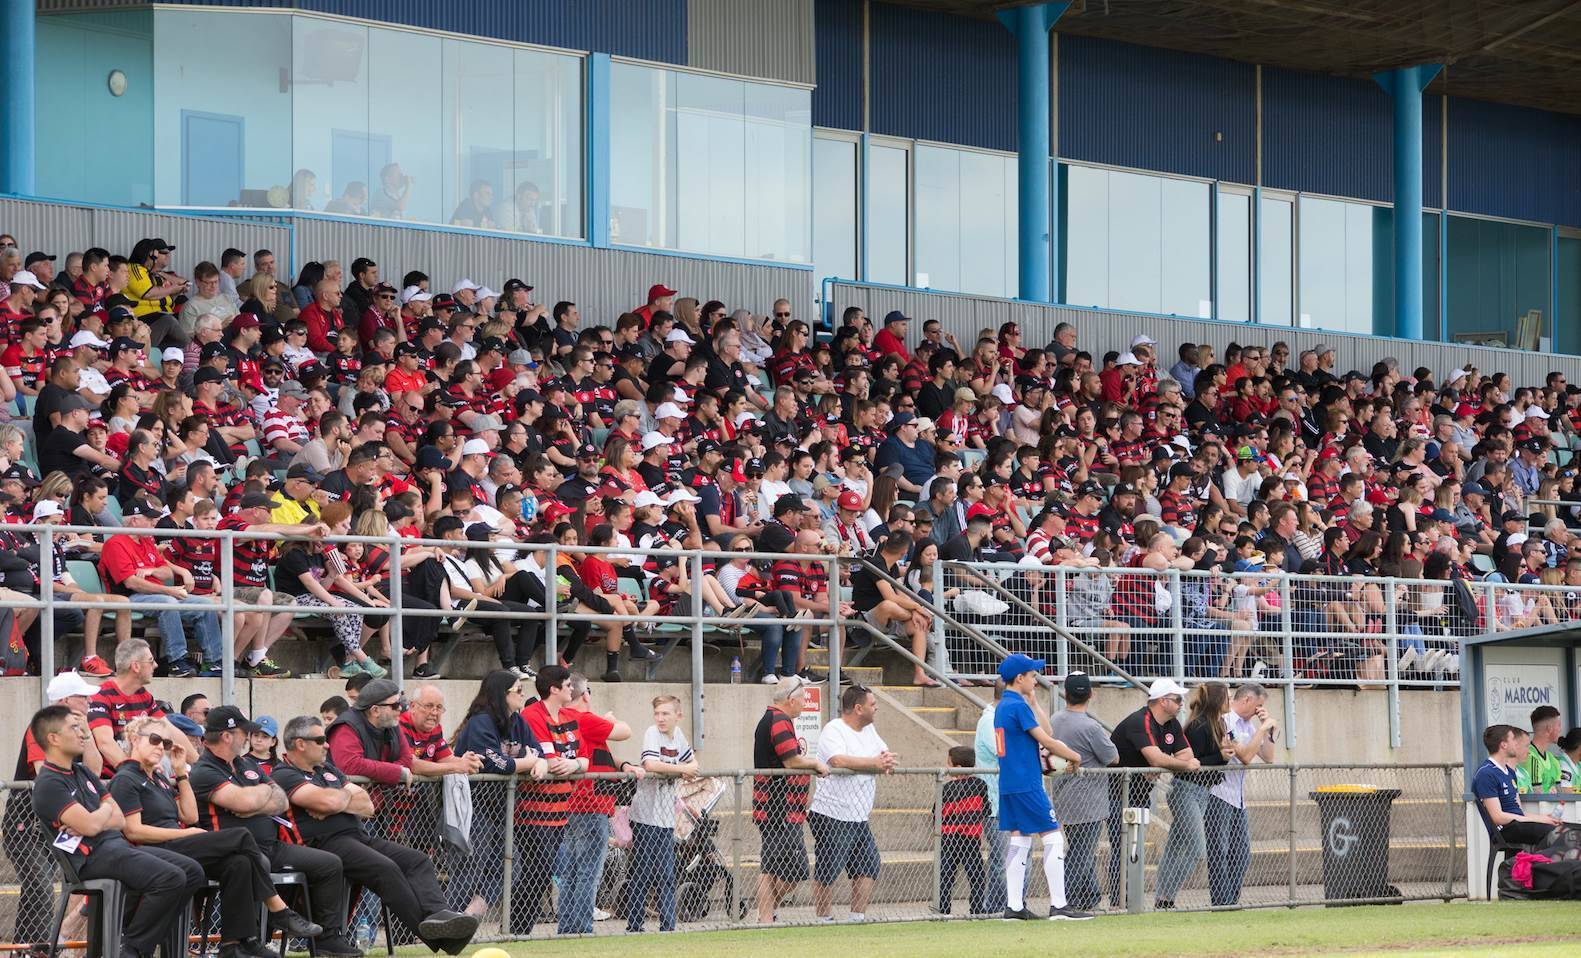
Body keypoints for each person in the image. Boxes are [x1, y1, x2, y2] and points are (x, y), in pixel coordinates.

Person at [110, 715, 322, 958]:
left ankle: (236, 943)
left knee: (239, 863)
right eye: (156, 740)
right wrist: (185, 834)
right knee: (241, 836)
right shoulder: (126, 778)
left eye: (166, 744)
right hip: (155, 849)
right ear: (135, 740)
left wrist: (180, 773)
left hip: (176, 844)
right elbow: (133, 831)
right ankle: (278, 909)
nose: (161, 747)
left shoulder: (157, 778)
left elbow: (189, 815)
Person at [273, 714, 481, 953]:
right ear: (300, 744)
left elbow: (367, 806)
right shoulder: (284, 774)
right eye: (320, 740)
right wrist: (340, 799)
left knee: (417, 860)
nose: (328, 745)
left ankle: (439, 916)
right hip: (324, 844)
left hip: (356, 836)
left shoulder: (327, 770)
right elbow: (334, 800)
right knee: (385, 868)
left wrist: (335, 801)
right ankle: (441, 940)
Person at [29, 704, 205, 958]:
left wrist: (95, 817)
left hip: (115, 847)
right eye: (75, 728)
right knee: (170, 878)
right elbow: (92, 825)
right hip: (90, 857)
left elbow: (119, 819)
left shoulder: (82, 772)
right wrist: (101, 815)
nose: (83, 733)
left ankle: (134, 942)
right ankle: (131, 950)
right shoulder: (48, 783)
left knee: (193, 871)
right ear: (53, 738)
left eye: (82, 727)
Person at [187, 705, 359, 956]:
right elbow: (246, 801)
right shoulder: (205, 770)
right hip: (229, 851)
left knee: (330, 864)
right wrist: (259, 797)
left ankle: (327, 939)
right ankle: (254, 936)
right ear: (226, 736)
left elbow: (282, 801)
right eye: (244, 732)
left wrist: (255, 799)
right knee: (253, 862)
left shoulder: (245, 763)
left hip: (270, 845)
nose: (247, 736)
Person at [5, 673, 103, 947]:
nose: (88, 702)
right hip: (25, 823)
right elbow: (44, 773)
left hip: (58, 823)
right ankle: (32, 948)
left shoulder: (76, 732)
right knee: (40, 885)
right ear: (64, 701)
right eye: (82, 698)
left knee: (53, 886)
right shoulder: (43, 727)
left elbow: (94, 771)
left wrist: (88, 732)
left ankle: (36, 947)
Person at [993, 653, 1089, 921]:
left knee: (1020, 839)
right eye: (1032, 676)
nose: (1036, 680)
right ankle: (1058, 904)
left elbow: (1047, 731)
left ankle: (1014, 906)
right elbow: (1048, 740)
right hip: (1027, 783)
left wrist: (1034, 702)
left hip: (1011, 783)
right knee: (1053, 837)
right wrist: (1074, 756)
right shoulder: (1016, 706)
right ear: (1019, 678)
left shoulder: (1006, 704)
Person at [449, 671, 548, 918]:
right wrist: (527, 763)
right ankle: (444, 919)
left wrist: (541, 763)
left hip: (501, 806)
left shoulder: (517, 720)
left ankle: (468, 917)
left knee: (509, 867)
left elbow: (537, 751)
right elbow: (495, 763)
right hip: (474, 806)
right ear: (503, 694)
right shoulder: (481, 721)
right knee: (469, 869)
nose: (523, 695)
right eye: (518, 690)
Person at [101, 500, 225, 677]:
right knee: (168, 602)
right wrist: (168, 591)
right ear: (134, 521)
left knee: (205, 605)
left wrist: (152, 571)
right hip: (130, 597)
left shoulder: (147, 541)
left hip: (156, 594)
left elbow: (168, 573)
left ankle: (213, 662)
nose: (154, 522)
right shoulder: (116, 543)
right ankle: (177, 661)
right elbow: (131, 583)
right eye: (149, 518)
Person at [1106, 678, 1199, 908]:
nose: (1181, 703)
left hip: (1140, 793)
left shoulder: (1172, 724)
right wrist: (1166, 764)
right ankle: (1121, 901)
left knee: (1134, 846)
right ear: (1162, 701)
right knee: (1122, 846)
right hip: (1118, 793)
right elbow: (1160, 758)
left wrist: (1160, 766)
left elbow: (1186, 754)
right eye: (1177, 699)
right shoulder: (1141, 720)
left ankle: (1131, 898)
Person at [807, 684, 894, 923]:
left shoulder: (869, 730)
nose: (876, 708)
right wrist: (874, 764)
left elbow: (883, 754)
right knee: (829, 867)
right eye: (872, 704)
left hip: (859, 814)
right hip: (831, 812)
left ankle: (857, 916)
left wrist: (883, 761)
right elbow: (838, 760)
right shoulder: (833, 729)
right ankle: (823, 918)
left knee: (868, 865)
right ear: (858, 708)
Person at [557, 673, 635, 935]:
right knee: (588, 873)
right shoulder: (585, 718)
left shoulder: (562, 719)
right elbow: (624, 731)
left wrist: (623, 764)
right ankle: (580, 928)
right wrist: (609, 720)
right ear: (586, 694)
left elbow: (601, 753)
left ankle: (568, 927)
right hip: (590, 807)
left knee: (570, 873)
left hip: (570, 807)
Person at [514, 665, 590, 935]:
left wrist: (575, 764)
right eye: (568, 685)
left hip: (561, 809)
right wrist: (571, 764)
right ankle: (516, 929)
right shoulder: (532, 715)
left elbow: (582, 757)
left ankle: (519, 930)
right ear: (554, 689)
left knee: (542, 872)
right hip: (533, 811)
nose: (573, 689)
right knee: (537, 870)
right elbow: (548, 759)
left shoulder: (570, 715)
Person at [753, 675, 831, 923]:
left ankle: (767, 914)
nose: (804, 704)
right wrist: (816, 764)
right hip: (779, 807)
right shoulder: (778, 720)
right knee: (782, 869)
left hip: (783, 808)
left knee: (781, 869)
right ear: (789, 700)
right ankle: (765, 918)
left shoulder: (776, 719)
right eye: (801, 700)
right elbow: (792, 761)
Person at [1153, 681, 1234, 910]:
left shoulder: (1218, 723)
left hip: (1202, 792)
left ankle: (1165, 899)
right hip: (1186, 790)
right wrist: (1220, 756)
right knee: (1196, 848)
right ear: (1218, 700)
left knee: (1176, 845)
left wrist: (1223, 755)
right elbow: (1191, 764)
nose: (1230, 701)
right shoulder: (1199, 726)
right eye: (1227, 697)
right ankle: (1164, 898)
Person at [625, 694, 699, 933]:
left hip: (666, 818)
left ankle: (668, 926)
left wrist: (684, 769)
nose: (660, 718)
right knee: (642, 873)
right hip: (646, 816)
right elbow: (651, 765)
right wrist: (681, 770)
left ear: (678, 715)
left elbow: (694, 765)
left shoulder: (678, 736)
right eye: (657, 713)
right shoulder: (651, 733)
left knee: (667, 873)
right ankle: (635, 926)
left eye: (665, 713)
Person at [1047, 671, 1119, 911]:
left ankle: (1091, 896)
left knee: (1082, 849)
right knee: (1082, 853)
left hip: (1063, 795)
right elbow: (1112, 757)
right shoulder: (1091, 726)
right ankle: (1063, 901)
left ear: (1065, 694)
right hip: (1089, 799)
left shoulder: (1054, 720)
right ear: (1090, 694)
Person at [1205, 682, 1277, 907]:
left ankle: (1231, 901)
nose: (1259, 710)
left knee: (1242, 855)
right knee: (1220, 851)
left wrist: (1269, 730)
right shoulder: (1225, 722)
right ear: (1246, 700)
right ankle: (1222, 903)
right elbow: (1245, 756)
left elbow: (1268, 756)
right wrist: (1263, 730)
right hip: (1219, 794)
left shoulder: (1249, 727)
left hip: (1238, 798)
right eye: (1259, 705)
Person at [87, 637, 172, 773]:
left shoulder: (143, 695)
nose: (156, 665)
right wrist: (137, 774)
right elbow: (105, 743)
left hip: (138, 773)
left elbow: (170, 731)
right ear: (136, 666)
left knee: (166, 762)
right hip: (113, 779)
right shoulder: (101, 696)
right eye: (151, 661)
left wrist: (198, 762)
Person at [1474, 724, 1562, 847]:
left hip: (1516, 824)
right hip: (1504, 830)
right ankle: (1543, 865)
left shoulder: (1509, 772)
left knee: (1563, 830)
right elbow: (1497, 817)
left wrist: (1541, 818)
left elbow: (1519, 812)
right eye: (1513, 740)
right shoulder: (1486, 773)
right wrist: (1539, 820)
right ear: (1503, 745)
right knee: (1552, 833)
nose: (1517, 744)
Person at [937, 744, 989, 915]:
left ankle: (943, 910)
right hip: (970, 839)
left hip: (948, 838)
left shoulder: (945, 788)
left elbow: (936, 813)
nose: (947, 767)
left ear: (958, 768)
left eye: (949, 764)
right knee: (977, 877)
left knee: (945, 875)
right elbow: (986, 809)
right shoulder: (980, 785)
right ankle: (977, 910)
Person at [1521, 704, 1565, 794]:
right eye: (1559, 725)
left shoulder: (1553, 759)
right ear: (1549, 728)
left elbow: (1561, 796)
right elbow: (1537, 798)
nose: (1560, 730)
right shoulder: (1530, 757)